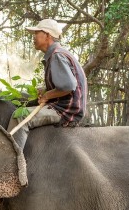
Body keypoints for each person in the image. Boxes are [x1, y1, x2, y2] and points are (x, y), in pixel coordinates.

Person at [8, 18, 87, 149]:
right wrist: (45, 90)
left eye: (37, 33)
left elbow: (68, 86)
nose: (33, 37)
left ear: (48, 36)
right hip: (65, 106)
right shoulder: (58, 54)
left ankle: (11, 162)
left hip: (65, 110)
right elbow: (63, 84)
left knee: (20, 117)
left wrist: (47, 96)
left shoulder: (57, 55)